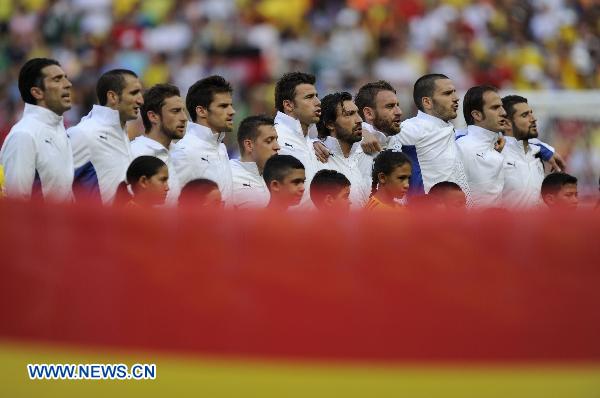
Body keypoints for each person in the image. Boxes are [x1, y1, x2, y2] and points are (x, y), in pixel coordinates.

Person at [0, 58, 74, 201]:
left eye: (66, 78)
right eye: (57, 79)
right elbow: (16, 204)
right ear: (37, 92)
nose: (68, 84)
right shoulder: (24, 135)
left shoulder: (60, 131)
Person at [68, 69, 143, 204]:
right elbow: (57, 188)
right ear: (112, 97)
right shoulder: (84, 133)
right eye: (134, 93)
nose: (141, 100)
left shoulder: (122, 133)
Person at [171, 75, 234, 204]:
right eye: (223, 106)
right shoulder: (184, 152)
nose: (232, 111)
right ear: (201, 111)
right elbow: (172, 203)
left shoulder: (221, 147)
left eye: (230, 105)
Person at [131, 83, 187, 204]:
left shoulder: (182, 153)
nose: (184, 118)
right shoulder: (134, 154)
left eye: (183, 111)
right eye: (176, 111)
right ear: (153, 116)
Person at [273, 72, 322, 207]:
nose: (318, 102)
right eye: (309, 97)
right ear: (288, 105)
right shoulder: (273, 138)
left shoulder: (311, 142)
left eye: (316, 96)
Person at [316, 92, 372, 208]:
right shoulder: (315, 157)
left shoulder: (361, 152)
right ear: (330, 124)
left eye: (357, 113)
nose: (359, 119)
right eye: (349, 114)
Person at [456, 85, 507, 208]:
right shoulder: (462, 148)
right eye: (495, 108)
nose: (504, 113)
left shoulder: (497, 147)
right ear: (477, 115)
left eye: (502, 107)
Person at [501, 95, 547, 209]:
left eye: (531, 113)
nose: (533, 118)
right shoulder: (496, 155)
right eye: (525, 115)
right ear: (506, 123)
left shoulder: (537, 155)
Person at [230, 115, 279, 208]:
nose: (277, 147)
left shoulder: (276, 177)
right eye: (269, 141)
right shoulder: (229, 175)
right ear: (249, 145)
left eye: (276, 140)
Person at [354, 80, 403, 149]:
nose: (399, 112)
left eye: (397, 105)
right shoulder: (352, 145)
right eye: (390, 106)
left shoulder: (396, 141)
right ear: (369, 113)